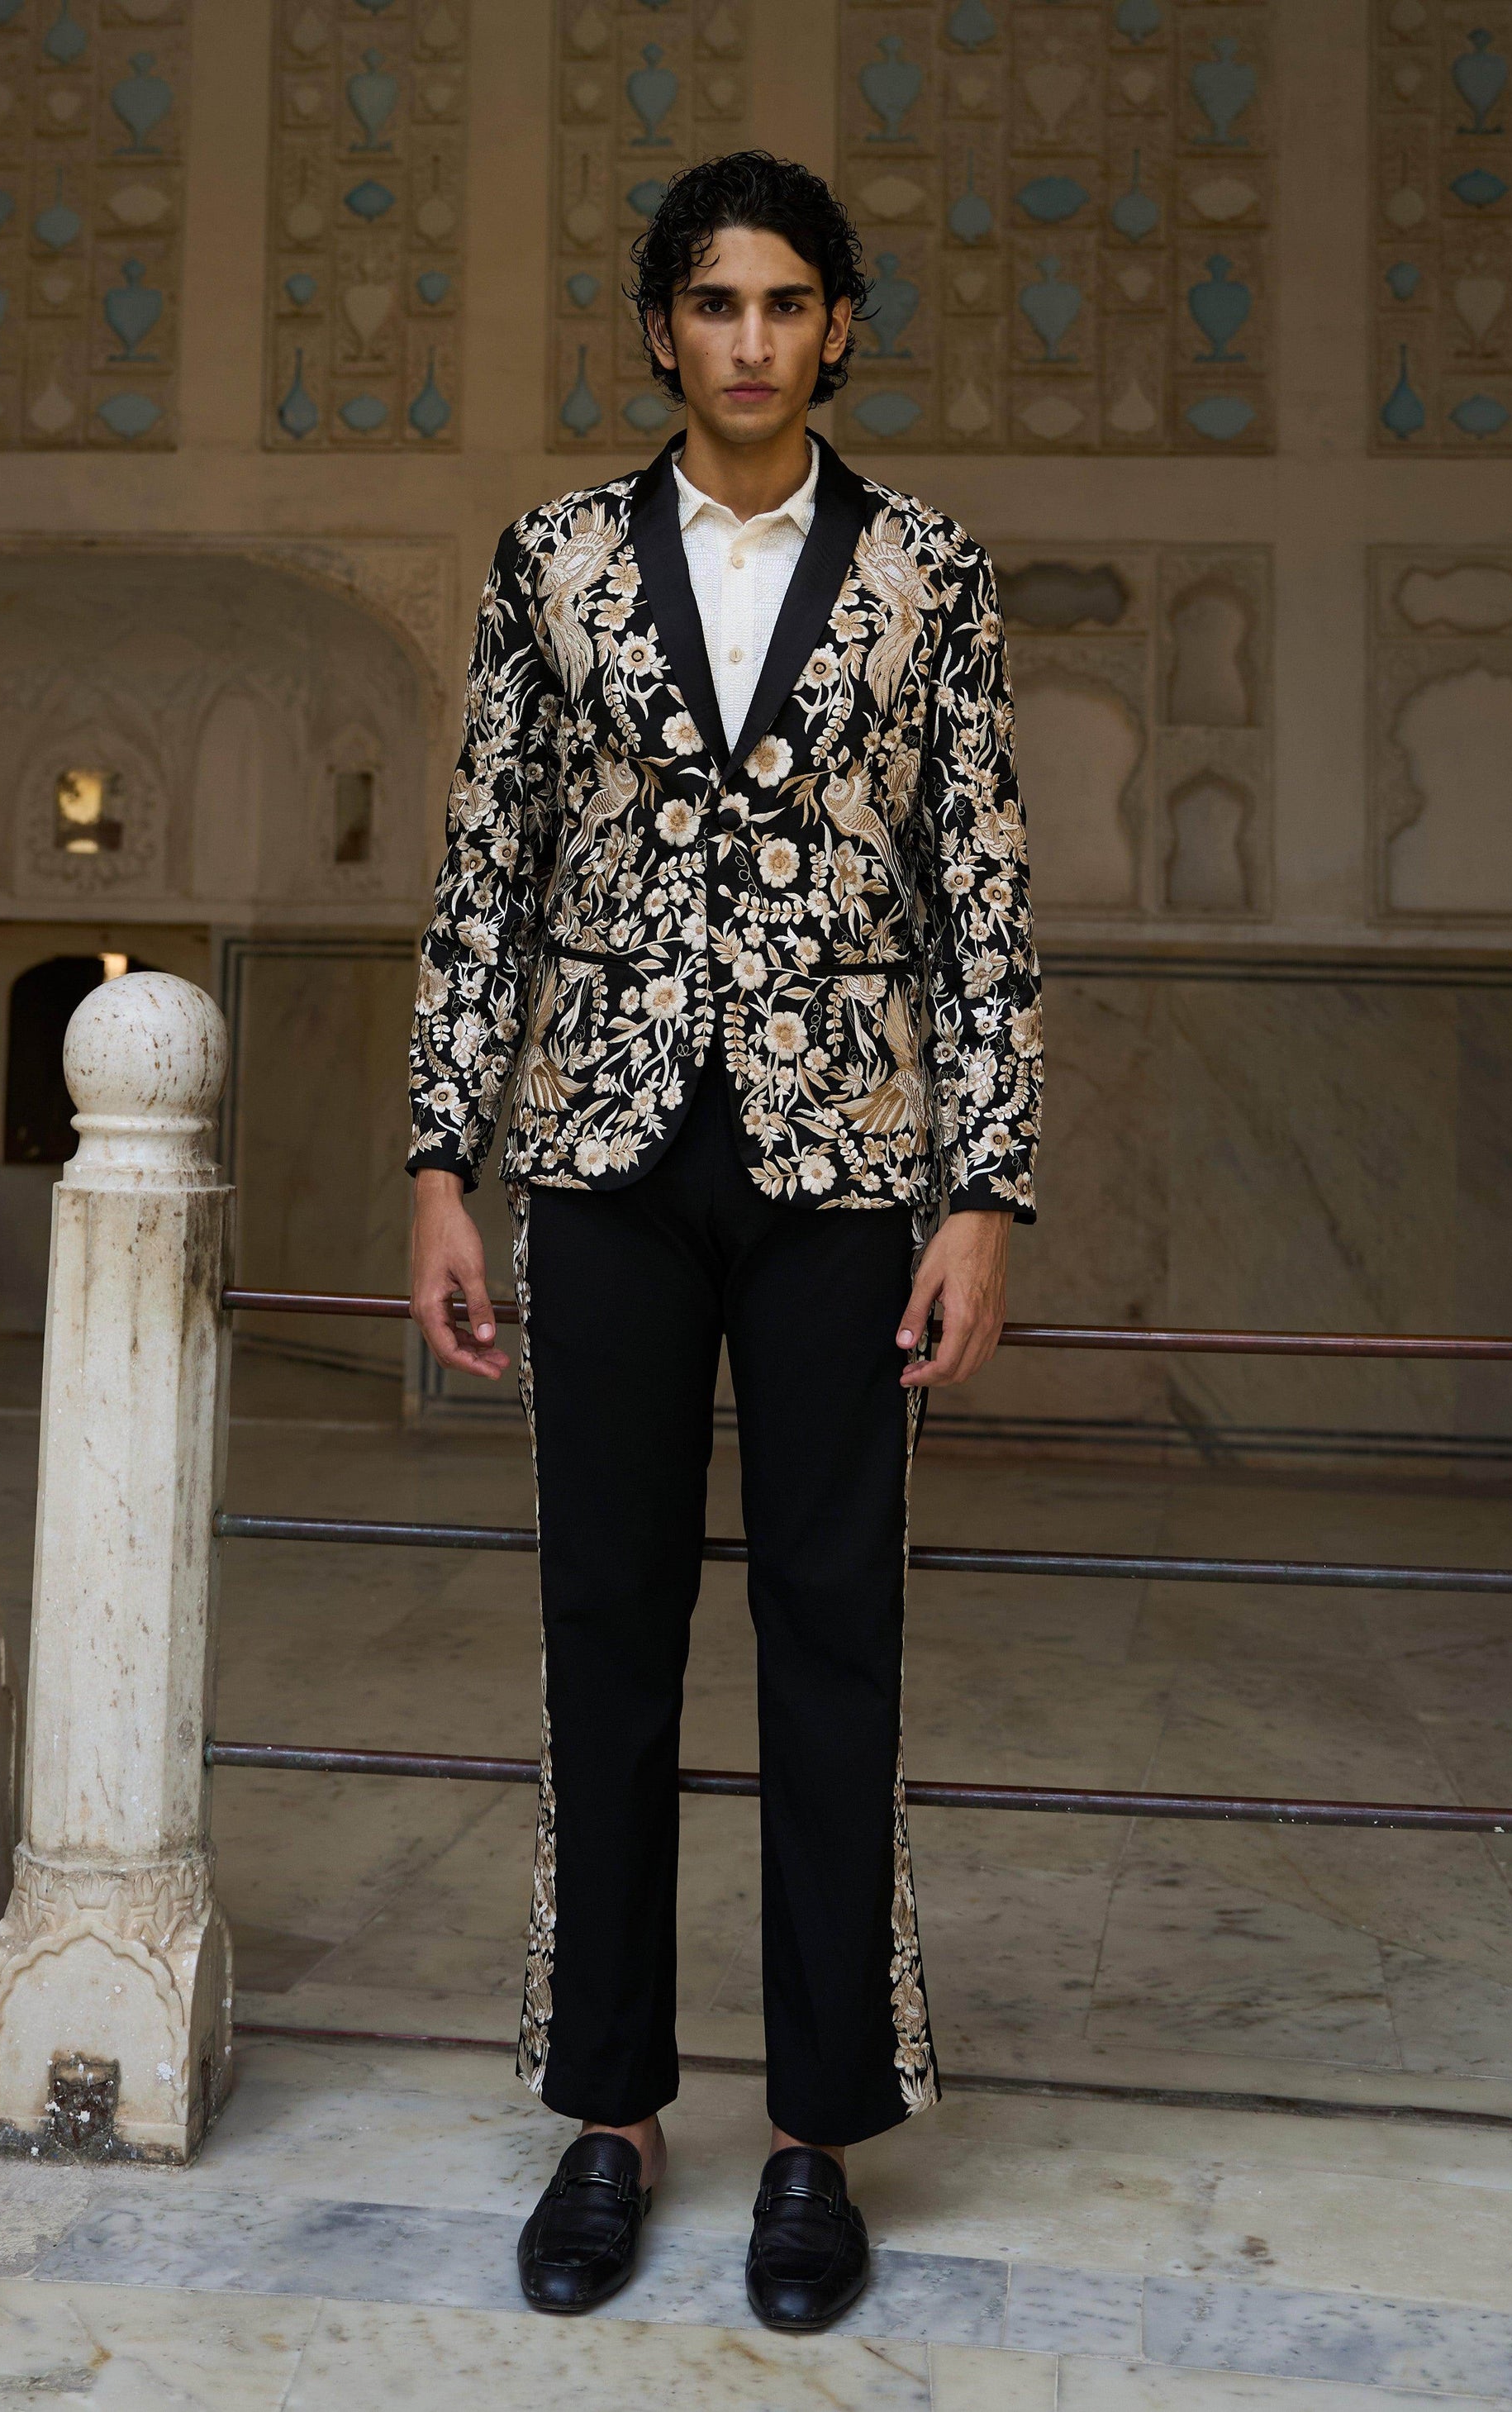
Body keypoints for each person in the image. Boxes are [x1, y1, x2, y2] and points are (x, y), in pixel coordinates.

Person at [407, 150, 1041, 2333]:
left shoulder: (931, 575)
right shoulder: (558, 563)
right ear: (661, 328)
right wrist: (439, 1161)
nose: (750, 339)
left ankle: (814, 2136)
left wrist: (982, 1192)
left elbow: (982, 903)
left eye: (786, 302)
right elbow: (488, 874)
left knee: (832, 1636)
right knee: (603, 1627)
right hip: (601, 1159)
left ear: (837, 326)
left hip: (842, 1170)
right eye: (713, 302)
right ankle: (609, 2113)